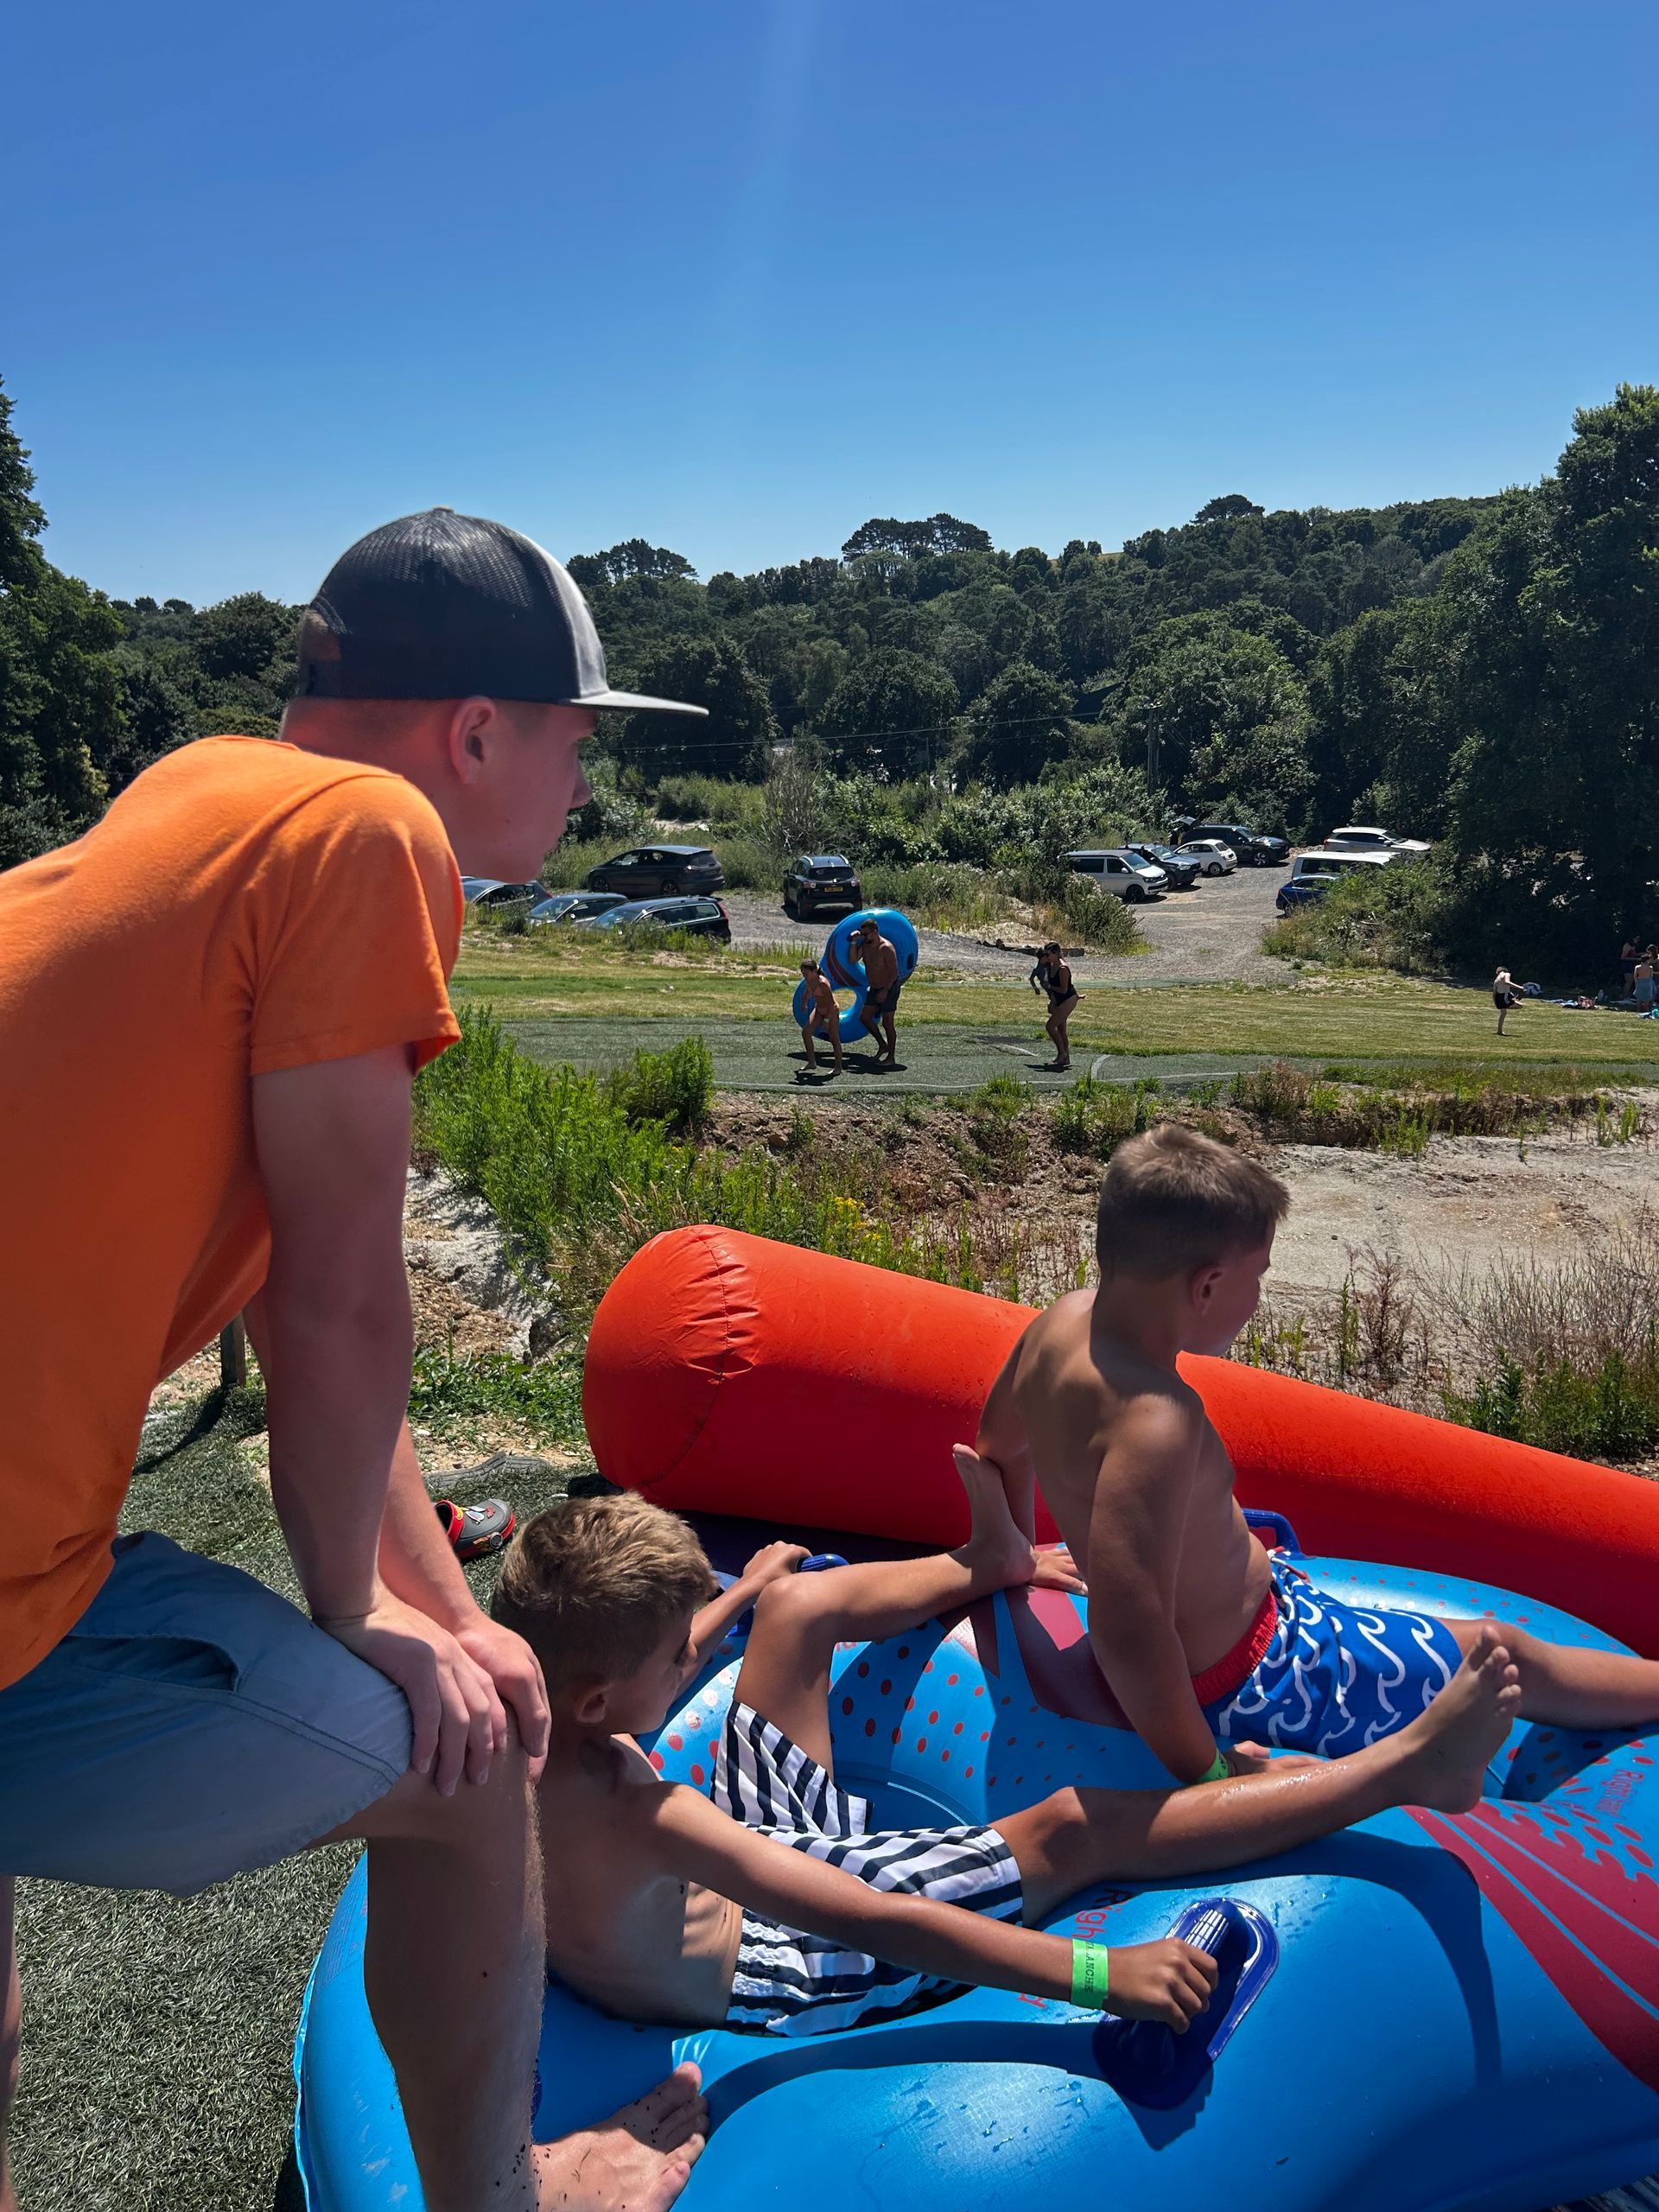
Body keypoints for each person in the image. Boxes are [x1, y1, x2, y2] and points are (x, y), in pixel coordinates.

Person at [0, 509, 718, 2212]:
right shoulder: (371, 831)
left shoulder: (195, 807)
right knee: (468, 1780)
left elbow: (293, 1307)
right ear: (477, 729)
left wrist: (449, 1607)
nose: (584, 785)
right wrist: (368, 1615)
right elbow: (334, 1301)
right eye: (577, 737)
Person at [493, 1483, 1520, 2038]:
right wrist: (1096, 1973)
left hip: (717, 1879)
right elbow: (866, 1915)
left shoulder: (517, 1723)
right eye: (678, 1652)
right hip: (783, 1965)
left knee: (795, 1607)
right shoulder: (640, 1808)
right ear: (597, 1699)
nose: (694, 1656)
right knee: (1077, 1823)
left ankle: (989, 1561)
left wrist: (743, 1592)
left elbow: (643, 1686)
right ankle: (1402, 1771)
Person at [962, 1124, 1659, 1783]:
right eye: (1256, 1276)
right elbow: (1126, 1630)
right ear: (1206, 1287)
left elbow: (997, 1451)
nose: (1258, 1297)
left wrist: (1018, 1554)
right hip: (1262, 1676)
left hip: (1255, 1630)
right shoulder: (1157, 1424)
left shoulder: (1059, 1324)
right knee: (1508, 1655)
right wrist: (1209, 1772)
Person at [854, 919, 902, 1068]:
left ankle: (891, 1057)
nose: (864, 937)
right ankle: (882, 1044)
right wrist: (854, 942)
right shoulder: (865, 946)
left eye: (866, 934)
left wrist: (885, 990)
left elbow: (894, 972)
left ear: (875, 932)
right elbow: (853, 959)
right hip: (874, 988)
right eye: (862, 934)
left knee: (888, 1023)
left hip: (889, 987)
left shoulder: (886, 948)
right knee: (865, 1017)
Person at [1030, 943, 1079, 1071]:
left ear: (1056, 953)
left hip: (1068, 999)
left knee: (1050, 1026)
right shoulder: (1050, 965)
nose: (1047, 957)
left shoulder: (1063, 968)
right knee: (1061, 1029)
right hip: (1058, 1000)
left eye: (1048, 954)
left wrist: (1050, 987)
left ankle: (1061, 1053)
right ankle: (1066, 1057)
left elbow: (1063, 990)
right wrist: (1052, 1000)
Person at [796, 959, 843, 1077]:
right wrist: (804, 1002)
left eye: (806, 972)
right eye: (803, 972)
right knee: (806, 1033)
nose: (804, 975)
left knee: (833, 1038)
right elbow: (808, 990)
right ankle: (812, 1062)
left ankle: (838, 1067)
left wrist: (826, 1020)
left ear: (813, 971)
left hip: (831, 1010)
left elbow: (831, 1005)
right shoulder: (809, 979)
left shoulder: (823, 983)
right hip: (819, 1009)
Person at [1493, 964, 1520, 1034]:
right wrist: (1519, 987)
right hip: (1504, 997)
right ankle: (1506, 1006)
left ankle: (1499, 1031)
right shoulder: (1506, 974)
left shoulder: (1496, 980)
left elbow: (1494, 993)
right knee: (1520, 1006)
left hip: (1498, 998)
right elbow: (1507, 982)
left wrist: (1495, 1003)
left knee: (1503, 1013)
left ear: (1497, 972)